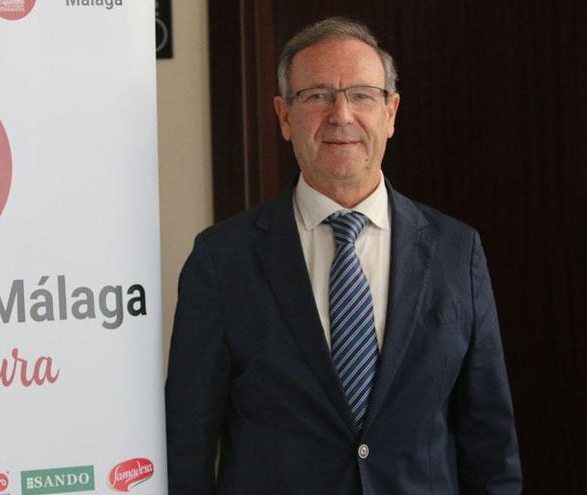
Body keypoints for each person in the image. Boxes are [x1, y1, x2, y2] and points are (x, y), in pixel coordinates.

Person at [165, 17, 522, 495]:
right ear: (284, 117)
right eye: (316, 95)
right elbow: (187, 442)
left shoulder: (458, 252)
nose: (341, 114)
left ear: (391, 112)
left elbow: (490, 440)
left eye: (361, 95)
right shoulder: (221, 259)